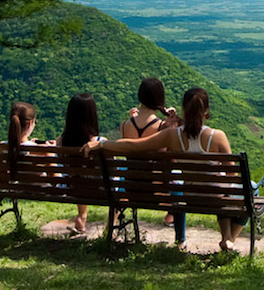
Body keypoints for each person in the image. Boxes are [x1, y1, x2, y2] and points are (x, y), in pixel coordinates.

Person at [83, 87, 246, 251]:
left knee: (222, 191)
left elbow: (133, 145)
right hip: (216, 197)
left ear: (184, 109)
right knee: (249, 189)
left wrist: (102, 143)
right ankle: (229, 237)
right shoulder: (218, 136)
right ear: (207, 112)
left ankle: (227, 237)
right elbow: (231, 175)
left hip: (187, 195)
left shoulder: (172, 135)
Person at [119, 77, 178, 226]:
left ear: (140, 96)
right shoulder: (161, 127)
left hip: (130, 187)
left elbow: (131, 148)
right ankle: (172, 220)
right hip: (155, 190)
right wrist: (172, 123)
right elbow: (171, 155)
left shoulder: (125, 125)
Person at [55, 93, 103, 234]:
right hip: (101, 191)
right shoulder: (100, 142)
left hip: (73, 189)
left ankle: (82, 217)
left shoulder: (60, 141)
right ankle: (110, 226)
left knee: (79, 178)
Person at [6, 101, 52, 180]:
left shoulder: (3, 148)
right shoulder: (42, 152)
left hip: (16, 191)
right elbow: (56, 182)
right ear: (29, 124)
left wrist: (30, 143)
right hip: (40, 191)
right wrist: (50, 151)